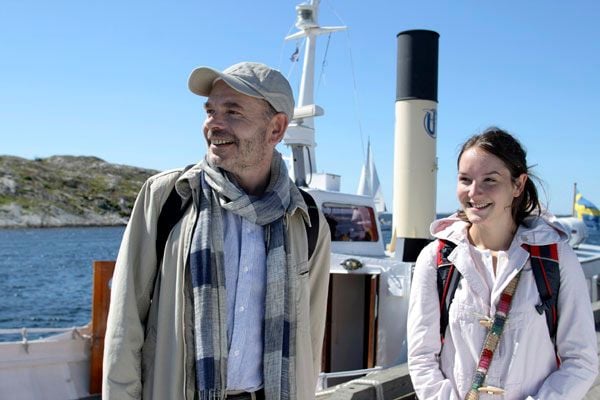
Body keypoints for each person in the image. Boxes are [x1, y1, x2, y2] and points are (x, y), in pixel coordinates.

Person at [102, 62, 331, 400]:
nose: (214, 124)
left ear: (276, 129)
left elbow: (309, 339)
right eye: (210, 111)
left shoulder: (307, 219)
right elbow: (126, 322)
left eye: (233, 112)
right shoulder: (167, 196)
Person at [407, 127, 598, 399]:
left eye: (490, 180)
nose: (474, 192)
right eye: (465, 179)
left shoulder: (555, 257)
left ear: (518, 185)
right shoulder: (436, 259)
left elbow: (581, 359)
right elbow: (422, 356)